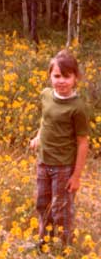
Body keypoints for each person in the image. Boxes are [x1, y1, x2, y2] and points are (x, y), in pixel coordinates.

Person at [29, 50, 89, 248]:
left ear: (75, 78)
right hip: (43, 162)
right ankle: (43, 243)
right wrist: (38, 136)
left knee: (61, 210)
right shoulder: (46, 95)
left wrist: (77, 176)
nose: (61, 81)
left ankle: (64, 248)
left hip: (63, 167)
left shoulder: (78, 107)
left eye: (66, 76)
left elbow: (82, 142)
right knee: (42, 204)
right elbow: (46, 118)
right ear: (49, 76)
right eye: (56, 76)